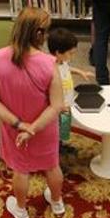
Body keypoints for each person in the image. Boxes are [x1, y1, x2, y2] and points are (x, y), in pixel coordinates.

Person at [0, 7, 65, 218]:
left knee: (21, 169)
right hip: (45, 128)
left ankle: (20, 210)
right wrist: (34, 128)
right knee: (52, 166)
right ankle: (57, 203)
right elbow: (57, 105)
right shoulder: (49, 64)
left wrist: (20, 125)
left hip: (13, 129)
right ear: (40, 35)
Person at [46, 26, 93, 155]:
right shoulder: (51, 69)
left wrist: (80, 72)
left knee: (65, 129)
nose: (72, 56)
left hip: (67, 105)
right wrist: (59, 107)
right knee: (56, 131)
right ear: (57, 52)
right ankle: (55, 154)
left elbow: (67, 68)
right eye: (70, 53)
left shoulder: (62, 62)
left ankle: (61, 146)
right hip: (58, 109)